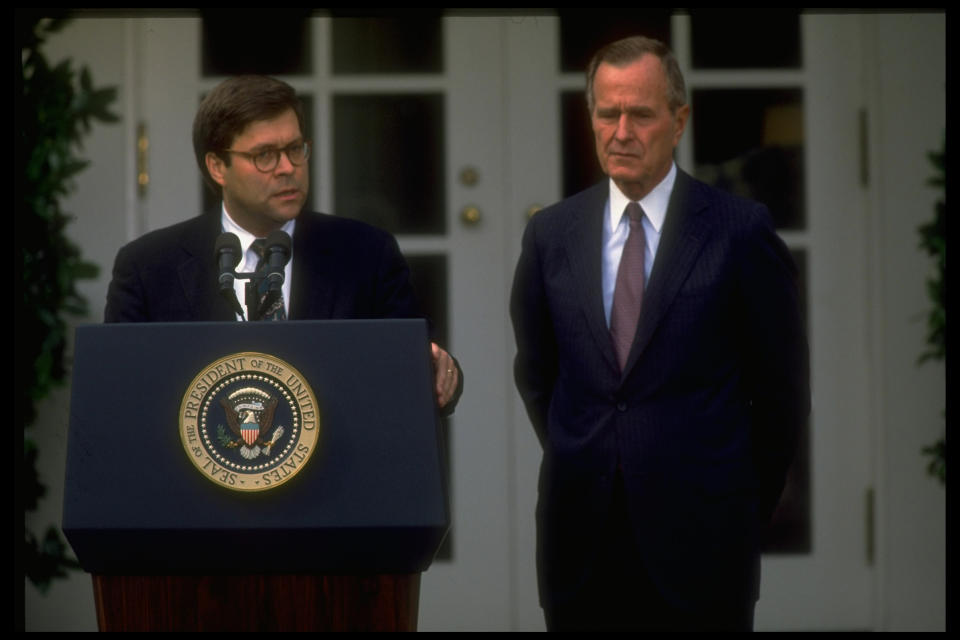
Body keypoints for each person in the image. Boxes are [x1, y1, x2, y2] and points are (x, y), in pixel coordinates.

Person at [510, 36, 809, 631]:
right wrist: (590, 451)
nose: (621, 131)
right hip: (581, 541)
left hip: (705, 545)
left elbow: (781, 394)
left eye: (640, 114)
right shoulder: (552, 235)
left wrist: (740, 509)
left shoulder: (738, 231)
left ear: (678, 120)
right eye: (606, 113)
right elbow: (539, 375)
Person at [105, 75, 461, 413]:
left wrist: (442, 373)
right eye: (265, 156)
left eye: (295, 149)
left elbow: (418, 366)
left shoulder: (366, 254)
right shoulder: (148, 267)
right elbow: (120, 395)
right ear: (217, 166)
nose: (287, 167)